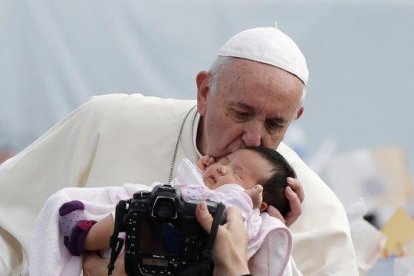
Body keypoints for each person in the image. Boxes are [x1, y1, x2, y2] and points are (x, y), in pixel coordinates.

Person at [0, 26, 358, 275]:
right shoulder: (107, 123)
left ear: (296, 117)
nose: (253, 137)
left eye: (275, 124)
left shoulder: (310, 207)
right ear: (204, 91)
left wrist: (276, 239)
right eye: (242, 113)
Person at [58, 146, 294, 257]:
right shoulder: (210, 189)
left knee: (133, 214)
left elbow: (234, 213)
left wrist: (246, 200)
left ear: (259, 201)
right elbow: (177, 191)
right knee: (128, 209)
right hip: (151, 226)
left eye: (238, 173)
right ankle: (83, 235)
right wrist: (196, 174)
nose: (222, 169)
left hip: (172, 246)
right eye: (225, 161)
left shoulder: (245, 217)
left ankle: (86, 239)